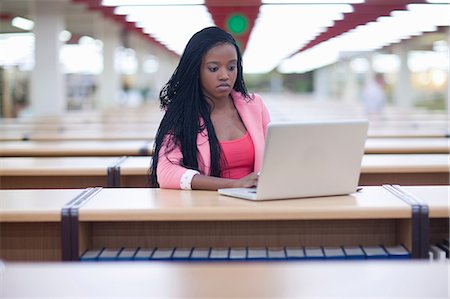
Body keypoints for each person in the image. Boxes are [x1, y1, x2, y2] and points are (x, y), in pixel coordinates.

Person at [149, 26, 271, 190]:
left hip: (255, 204)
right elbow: (165, 172)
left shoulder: (256, 106)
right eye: (213, 68)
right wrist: (234, 185)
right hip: (206, 207)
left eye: (231, 67)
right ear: (196, 70)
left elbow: (274, 158)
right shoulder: (181, 113)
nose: (224, 76)